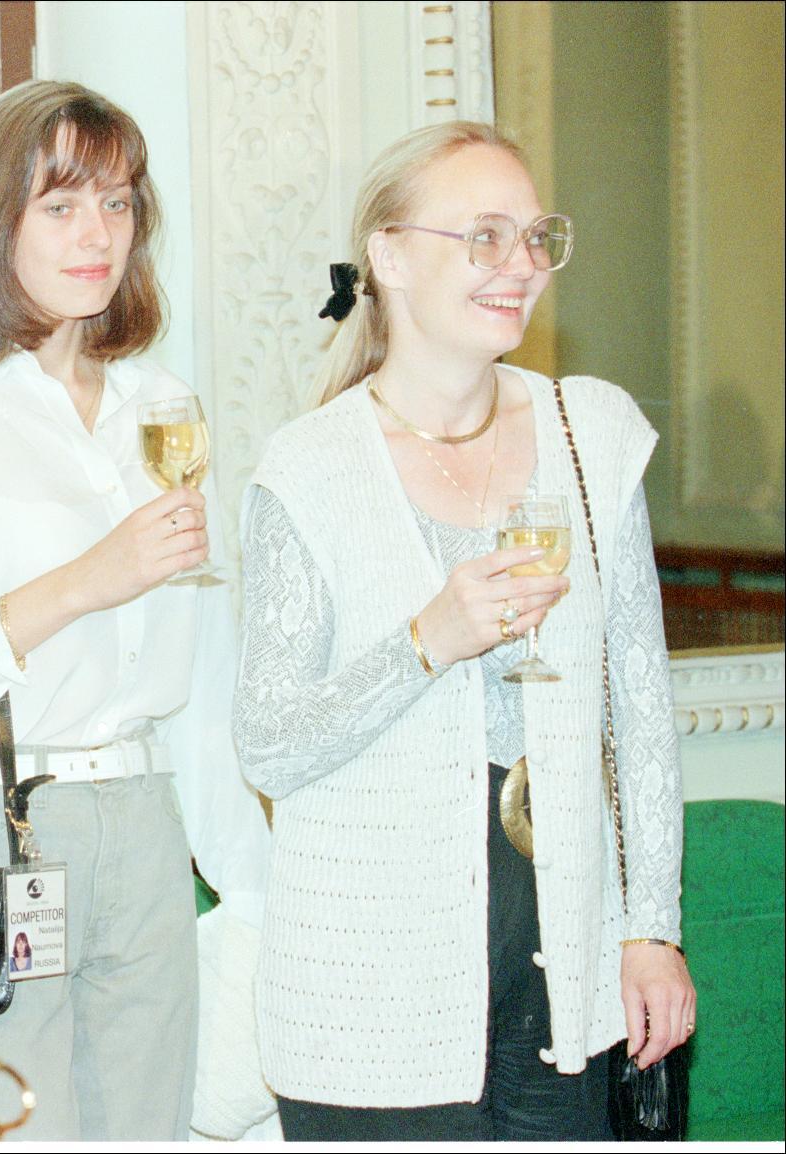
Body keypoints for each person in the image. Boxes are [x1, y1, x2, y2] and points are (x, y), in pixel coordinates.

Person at [232, 121, 695, 1140]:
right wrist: (426, 642)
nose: (521, 264)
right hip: (369, 987)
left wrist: (652, 930)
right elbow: (268, 744)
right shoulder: (308, 469)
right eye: (484, 236)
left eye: (535, 236)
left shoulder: (591, 433)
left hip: (564, 963)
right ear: (390, 257)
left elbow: (641, 711)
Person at [0, 79, 270, 1142]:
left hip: (147, 821)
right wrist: (84, 581)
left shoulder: (162, 406)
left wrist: (258, 889)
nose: (98, 235)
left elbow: (204, 673)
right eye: (61, 204)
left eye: (117, 204)